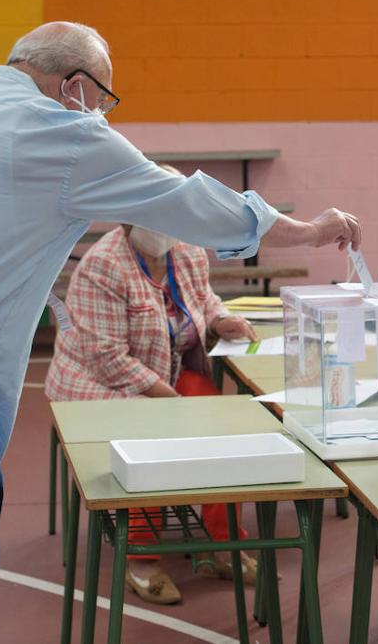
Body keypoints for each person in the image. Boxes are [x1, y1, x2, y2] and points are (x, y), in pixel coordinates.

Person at [0, 21, 361, 641]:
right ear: (73, 87)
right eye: (103, 100)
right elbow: (195, 204)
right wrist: (311, 230)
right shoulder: (64, 134)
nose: (101, 115)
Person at [45, 166, 262, 604]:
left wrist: (222, 319)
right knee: (145, 436)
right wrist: (174, 404)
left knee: (222, 424)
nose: (167, 226)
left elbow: (203, 299)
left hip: (164, 372)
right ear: (129, 216)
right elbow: (107, 360)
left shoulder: (187, 252)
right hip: (98, 386)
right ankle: (142, 557)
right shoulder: (102, 266)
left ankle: (224, 540)